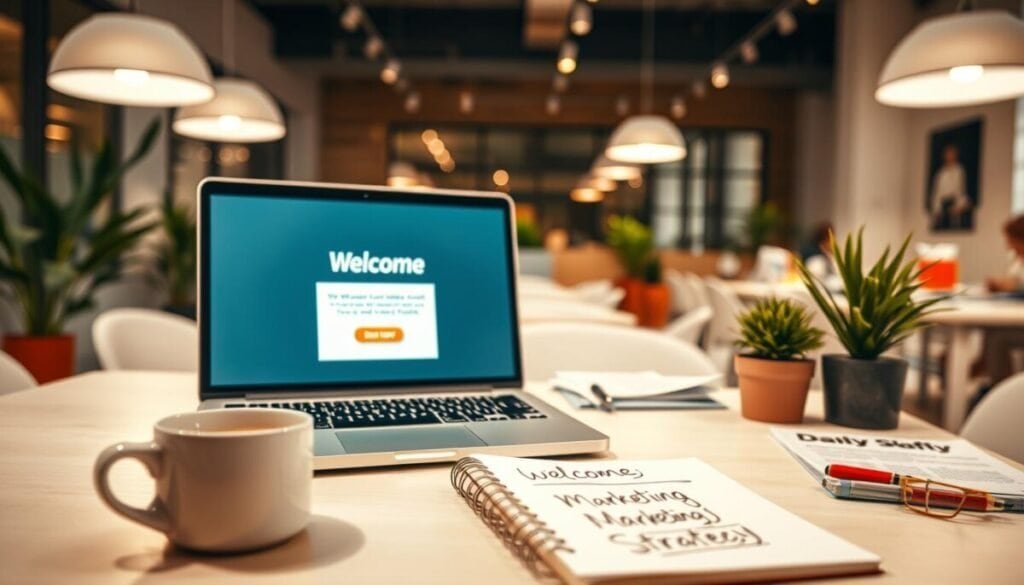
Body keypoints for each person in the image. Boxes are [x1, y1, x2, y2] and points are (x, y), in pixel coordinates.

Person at [973, 215, 1024, 408]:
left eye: (1011, 240)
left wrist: (1013, 287)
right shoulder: (1018, 261)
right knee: (992, 330)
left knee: (998, 338)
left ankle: (1001, 395)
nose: (1008, 246)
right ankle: (989, 376)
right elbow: (1015, 282)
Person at [930, 144, 972, 230]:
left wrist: (958, 205)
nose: (949, 156)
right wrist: (937, 209)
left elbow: (961, 189)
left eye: (952, 154)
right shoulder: (941, 173)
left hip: (956, 201)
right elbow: (937, 193)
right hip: (942, 203)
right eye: (947, 154)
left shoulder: (959, 170)